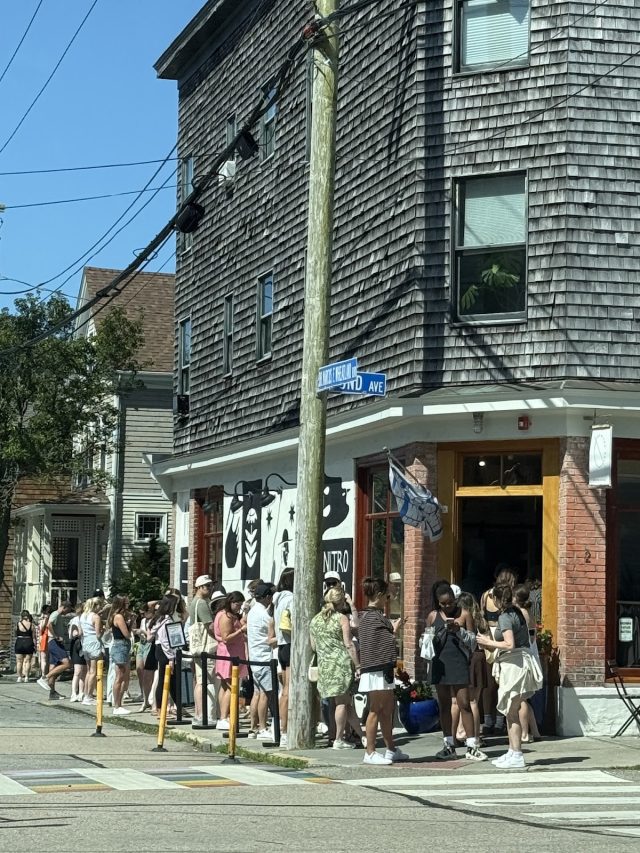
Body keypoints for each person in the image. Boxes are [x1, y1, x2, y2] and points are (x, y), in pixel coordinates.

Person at [477, 582, 543, 769]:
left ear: (498, 599)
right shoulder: (518, 611)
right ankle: (512, 751)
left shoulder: (506, 617)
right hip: (519, 663)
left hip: (513, 665)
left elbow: (509, 644)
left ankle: (517, 754)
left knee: (511, 710)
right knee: (509, 710)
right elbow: (531, 634)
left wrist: (487, 641)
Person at [426, 580, 487, 762]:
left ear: (455, 599)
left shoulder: (465, 614)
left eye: (450, 603)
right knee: (444, 705)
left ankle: (471, 746)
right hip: (439, 664)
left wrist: (458, 630)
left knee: (464, 704)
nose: (447, 607)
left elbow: (473, 642)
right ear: (438, 603)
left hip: (459, 662)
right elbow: (426, 641)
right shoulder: (432, 616)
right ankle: (448, 745)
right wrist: (431, 637)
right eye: (443, 604)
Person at [358, 576, 408, 765]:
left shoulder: (374, 615)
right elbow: (381, 642)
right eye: (386, 595)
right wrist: (394, 630)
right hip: (375, 668)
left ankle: (391, 749)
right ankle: (370, 752)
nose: (389, 598)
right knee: (375, 710)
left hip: (383, 668)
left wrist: (392, 629)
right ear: (379, 595)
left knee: (387, 710)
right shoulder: (371, 617)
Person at [310, 586, 364, 750]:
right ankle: (339, 739)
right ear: (341, 602)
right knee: (342, 703)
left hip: (325, 665)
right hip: (340, 663)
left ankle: (362, 736)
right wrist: (358, 665)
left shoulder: (315, 620)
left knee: (344, 703)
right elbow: (348, 644)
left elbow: (313, 646)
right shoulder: (341, 618)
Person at [480, 567, 518, 735]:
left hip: (489, 640)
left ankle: (488, 720)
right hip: (504, 640)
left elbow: (481, 616)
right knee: (504, 683)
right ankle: (500, 720)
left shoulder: (486, 595)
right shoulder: (511, 598)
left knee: (489, 684)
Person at [456, 592, 489, 746]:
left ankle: (474, 736)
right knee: (475, 699)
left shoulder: (466, 616)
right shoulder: (479, 617)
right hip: (481, 657)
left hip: (472, 658)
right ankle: (473, 734)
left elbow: (469, 640)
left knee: (472, 701)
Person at [246, 582, 277, 740]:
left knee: (257, 694)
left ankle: (253, 728)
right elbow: (273, 632)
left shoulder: (252, 612)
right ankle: (263, 727)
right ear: (266, 597)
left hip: (254, 657)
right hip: (264, 658)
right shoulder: (264, 615)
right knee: (265, 694)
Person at [214, 591, 248, 731]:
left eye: (240, 605)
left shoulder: (231, 615)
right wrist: (241, 631)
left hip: (233, 654)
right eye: (236, 604)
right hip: (228, 655)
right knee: (230, 687)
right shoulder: (225, 616)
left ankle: (225, 716)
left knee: (225, 686)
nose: (238, 607)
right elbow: (226, 637)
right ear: (230, 602)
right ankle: (223, 717)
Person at [514, 584, 541, 743]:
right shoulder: (529, 612)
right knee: (526, 697)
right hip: (530, 653)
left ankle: (524, 733)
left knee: (521, 698)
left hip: (524, 656)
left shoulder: (521, 613)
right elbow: (533, 636)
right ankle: (535, 732)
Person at [148, 595, 182, 717]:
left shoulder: (161, 618)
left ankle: (177, 706)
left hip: (161, 650)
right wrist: (171, 658)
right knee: (164, 679)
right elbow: (165, 640)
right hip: (164, 651)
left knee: (171, 680)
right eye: (176, 604)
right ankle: (159, 708)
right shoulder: (166, 620)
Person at [188, 575, 216, 726]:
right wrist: (220, 637)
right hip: (206, 647)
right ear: (199, 588)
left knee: (200, 680)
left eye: (211, 585)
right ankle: (205, 714)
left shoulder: (194, 603)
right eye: (206, 586)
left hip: (198, 648)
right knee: (206, 680)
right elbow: (209, 626)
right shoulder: (202, 604)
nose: (210, 588)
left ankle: (199, 713)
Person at [273, 568, 294, 745]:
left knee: (285, 690)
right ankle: (284, 730)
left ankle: (281, 728)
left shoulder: (277, 599)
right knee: (288, 690)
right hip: (290, 644)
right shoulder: (291, 599)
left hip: (281, 645)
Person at [37, 600, 74, 699]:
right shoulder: (56, 614)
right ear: (64, 607)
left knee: (54, 668)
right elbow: (49, 625)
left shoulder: (58, 616)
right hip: (54, 642)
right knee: (67, 663)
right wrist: (56, 636)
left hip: (55, 643)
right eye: (68, 610)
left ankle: (52, 693)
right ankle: (45, 678)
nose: (68, 613)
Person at [106, 595, 133, 716]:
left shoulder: (121, 616)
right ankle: (116, 705)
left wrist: (131, 621)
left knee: (125, 677)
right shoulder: (118, 617)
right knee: (119, 676)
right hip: (120, 646)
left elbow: (129, 632)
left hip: (124, 646)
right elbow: (126, 634)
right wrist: (129, 624)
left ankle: (119, 703)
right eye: (126, 604)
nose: (128, 605)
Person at [80, 597, 104, 706]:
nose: (101, 607)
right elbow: (98, 634)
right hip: (94, 642)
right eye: (100, 605)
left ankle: (86, 694)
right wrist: (104, 630)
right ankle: (88, 696)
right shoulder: (96, 617)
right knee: (94, 672)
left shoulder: (83, 616)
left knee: (89, 671)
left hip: (86, 642)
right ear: (96, 606)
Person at [134, 606, 155, 712]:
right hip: (141, 644)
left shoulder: (153, 621)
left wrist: (143, 631)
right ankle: (143, 694)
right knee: (139, 668)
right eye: (141, 614)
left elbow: (150, 636)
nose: (143, 615)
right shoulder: (143, 620)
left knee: (148, 672)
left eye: (144, 613)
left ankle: (148, 698)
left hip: (148, 644)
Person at [68, 603, 87, 702]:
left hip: (85, 644)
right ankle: (73, 693)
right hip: (77, 645)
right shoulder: (75, 620)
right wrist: (80, 631)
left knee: (84, 671)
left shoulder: (85, 619)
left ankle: (81, 693)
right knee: (78, 671)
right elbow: (74, 634)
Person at [14, 610, 35, 682]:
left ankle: (19, 677)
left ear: (21, 616)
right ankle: (26, 677)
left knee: (19, 661)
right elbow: (34, 636)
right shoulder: (31, 625)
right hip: (28, 641)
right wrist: (35, 645)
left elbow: (15, 633)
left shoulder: (17, 624)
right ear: (28, 616)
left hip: (19, 641)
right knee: (27, 661)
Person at [37, 604, 52, 677]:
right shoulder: (47, 617)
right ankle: (44, 673)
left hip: (43, 636)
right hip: (44, 636)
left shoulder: (43, 617)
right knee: (45, 657)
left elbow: (41, 628)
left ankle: (43, 674)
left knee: (43, 657)